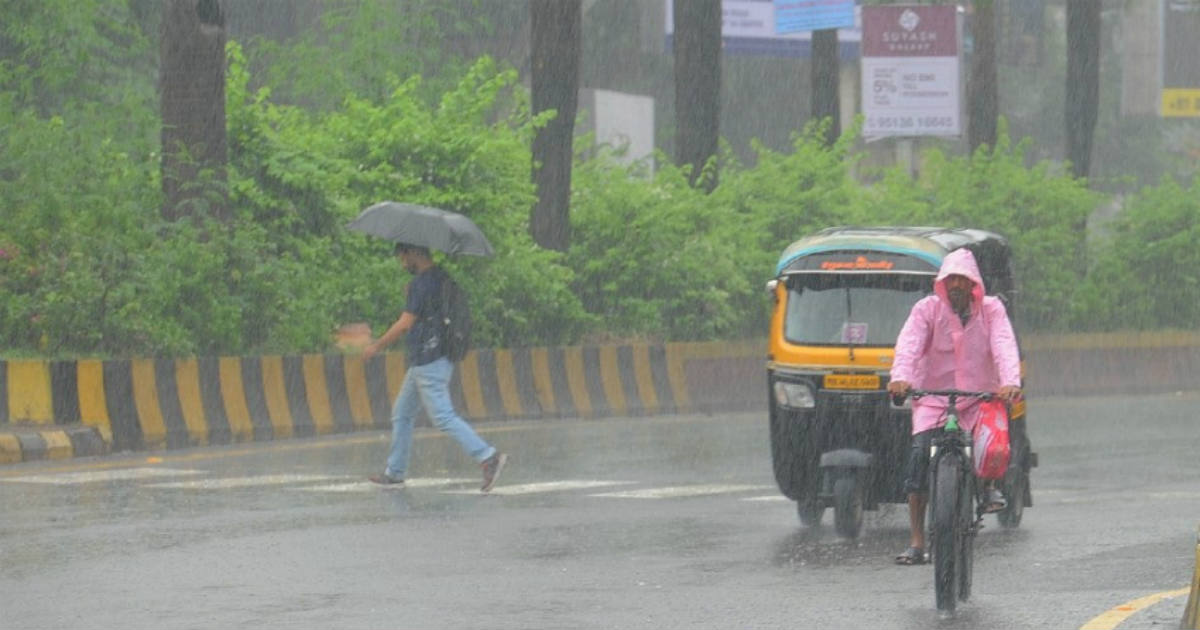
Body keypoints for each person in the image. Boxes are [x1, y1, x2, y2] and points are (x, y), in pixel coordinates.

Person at [886, 248, 1021, 566]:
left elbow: (1003, 345)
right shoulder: (926, 310)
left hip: (979, 399)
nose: (957, 285)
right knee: (919, 461)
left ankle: (988, 487)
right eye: (951, 279)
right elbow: (909, 345)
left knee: (994, 449)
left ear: (974, 283)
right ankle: (917, 541)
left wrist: (1010, 380)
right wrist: (901, 378)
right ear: (942, 283)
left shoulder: (991, 310)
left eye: (963, 279)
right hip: (933, 399)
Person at [362, 242, 507, 492]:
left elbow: (406, 323)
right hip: (432, 356)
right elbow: (431, 311)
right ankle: (395, 472)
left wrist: (377, 345)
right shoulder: (440, 277)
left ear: (415, 254)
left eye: (403, 256)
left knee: (442, 416)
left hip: (429, 359)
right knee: (402, 413)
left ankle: (488, 456)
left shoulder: (422, 283)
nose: (402, 262)